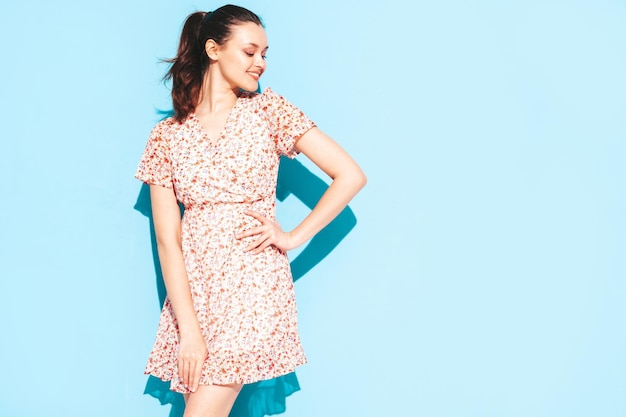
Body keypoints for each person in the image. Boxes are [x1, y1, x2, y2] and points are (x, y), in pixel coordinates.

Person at [135, 4, 366, 416]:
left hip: (251, 289)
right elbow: (167, 241)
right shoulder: (166, 137)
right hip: (194, 296)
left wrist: (292, 236)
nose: (260, 63)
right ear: (213, 49)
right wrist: (188, 329)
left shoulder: (268, 111)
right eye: (250, 51)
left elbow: (350, 175)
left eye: (264, 53)